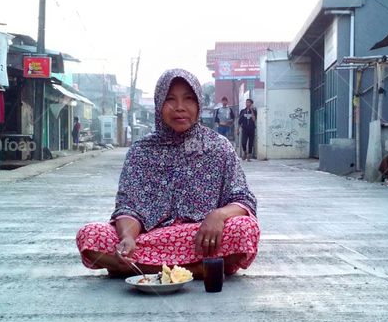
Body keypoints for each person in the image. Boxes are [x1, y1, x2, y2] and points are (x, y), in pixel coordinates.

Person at [76, 68, 260, 278]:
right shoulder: (141, 151)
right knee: (90, 235)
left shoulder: (219, 147)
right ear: (159, 105)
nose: (180, 108)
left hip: (201, 239)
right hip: (149, 237)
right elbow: (128, 206)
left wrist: (218, 216)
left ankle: (138, 268)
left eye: (188, 99)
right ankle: (197, 269)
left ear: (199, 104)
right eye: (170, 99)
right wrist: (128, 238)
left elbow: (243, 198)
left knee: (245, 229)